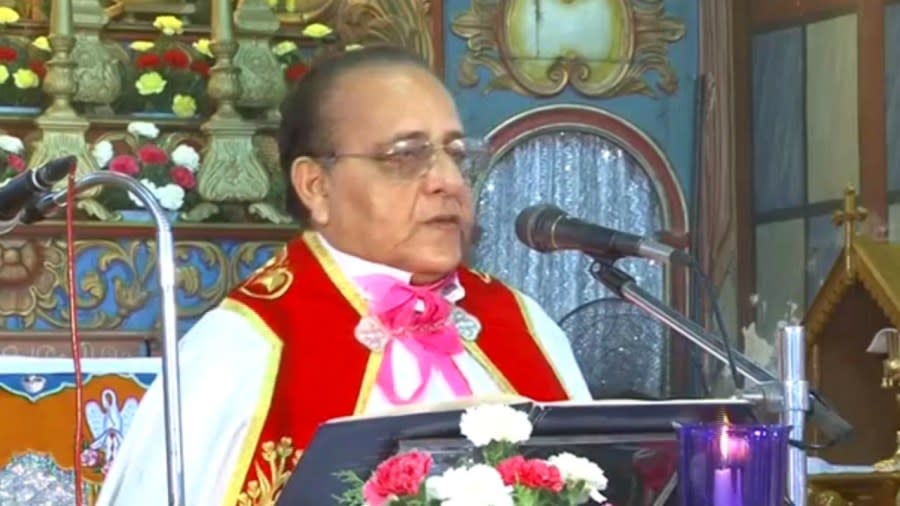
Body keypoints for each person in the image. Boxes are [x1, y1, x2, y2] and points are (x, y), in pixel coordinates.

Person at [97, 45, 590, 505]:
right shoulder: (240, 350)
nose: (449, 182)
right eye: (405, 156)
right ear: (315, 186)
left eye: (457, 155)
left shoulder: (522, 323)